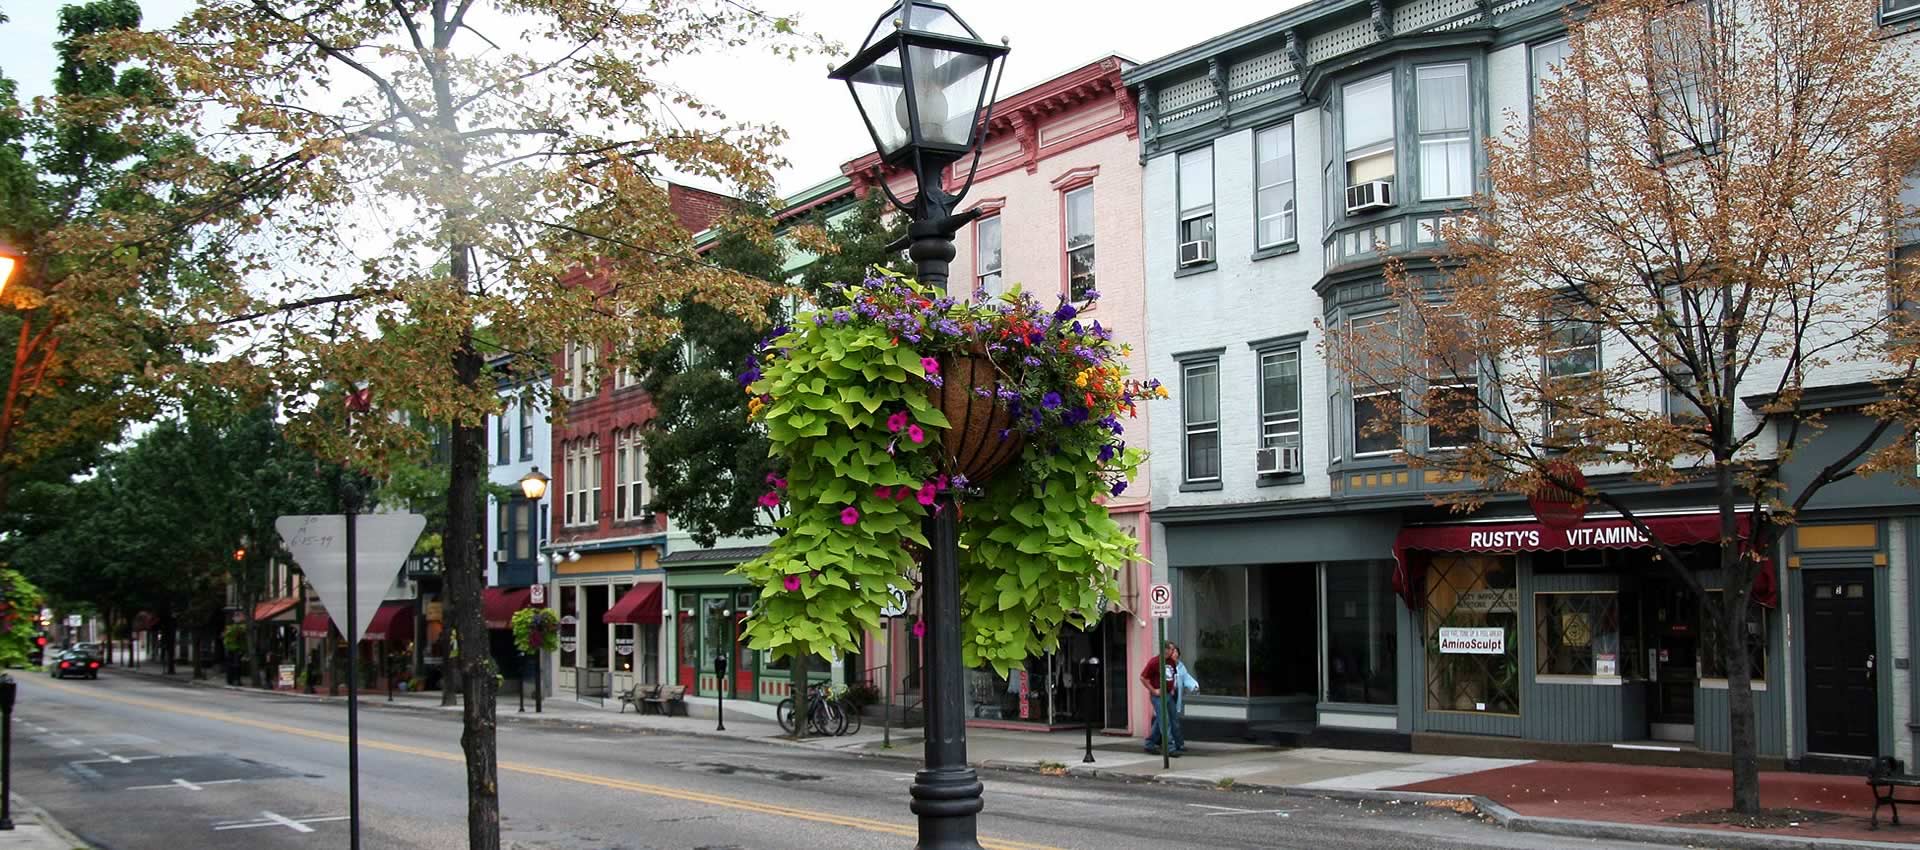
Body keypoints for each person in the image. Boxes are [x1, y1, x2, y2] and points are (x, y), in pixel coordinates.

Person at [1141, 641, 1199, 756]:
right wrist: (1153, 690)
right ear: (1165, 650)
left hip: (1168, 694)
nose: (1173, 652)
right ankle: (1170, 748)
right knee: (1165, 721)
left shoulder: (1171, 662)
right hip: (1158, 696)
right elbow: (1143, 677)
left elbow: (1173, 676)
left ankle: (1150, 743)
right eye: (1172, 649)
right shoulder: (1154, 662)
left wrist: (1171, 688)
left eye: (1174, 650)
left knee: (1170, 719)